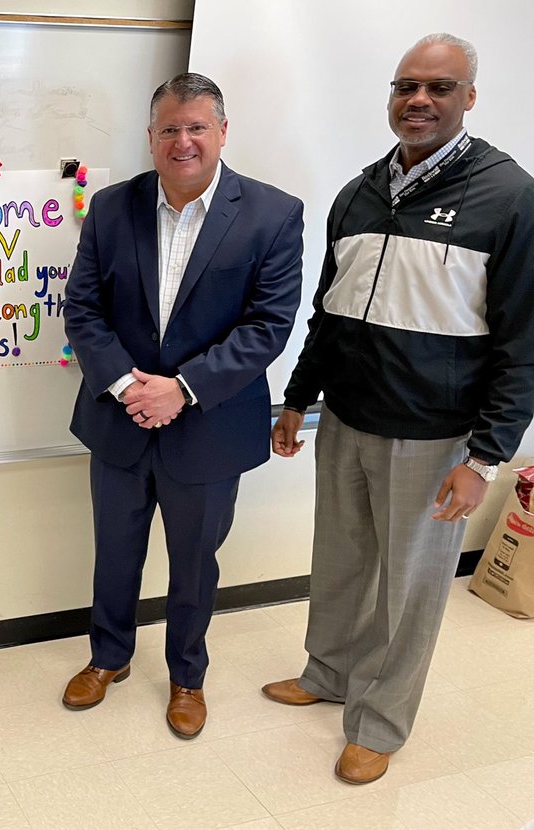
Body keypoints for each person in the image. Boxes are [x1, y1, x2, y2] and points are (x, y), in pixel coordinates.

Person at [263, 33, 534, 785]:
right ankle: (329, 674)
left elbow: (524, 343)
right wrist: (297, 399)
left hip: (437, 436)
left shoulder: (509, 197)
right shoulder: (358, 194)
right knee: (342, 560)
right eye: (406, 86)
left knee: (410, 587)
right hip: (345, 419)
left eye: (440, 88)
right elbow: (330, 313)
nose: (419, 100)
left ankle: (380, 723)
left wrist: (484, 459)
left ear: (469, 98)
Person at [61, 73, 304, 738]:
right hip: (118, 422)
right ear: (150, 138)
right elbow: (82, 308)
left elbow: (268, 326)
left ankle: (187, 677)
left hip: (209, 429)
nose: (183, 140)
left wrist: (182, 389)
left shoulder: (273, 214)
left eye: (197, 126)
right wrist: (124, 385)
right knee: (113, 552)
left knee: (195, 562)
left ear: (222, 132)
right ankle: (108, 657)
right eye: (170, 128)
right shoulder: (111, 208)